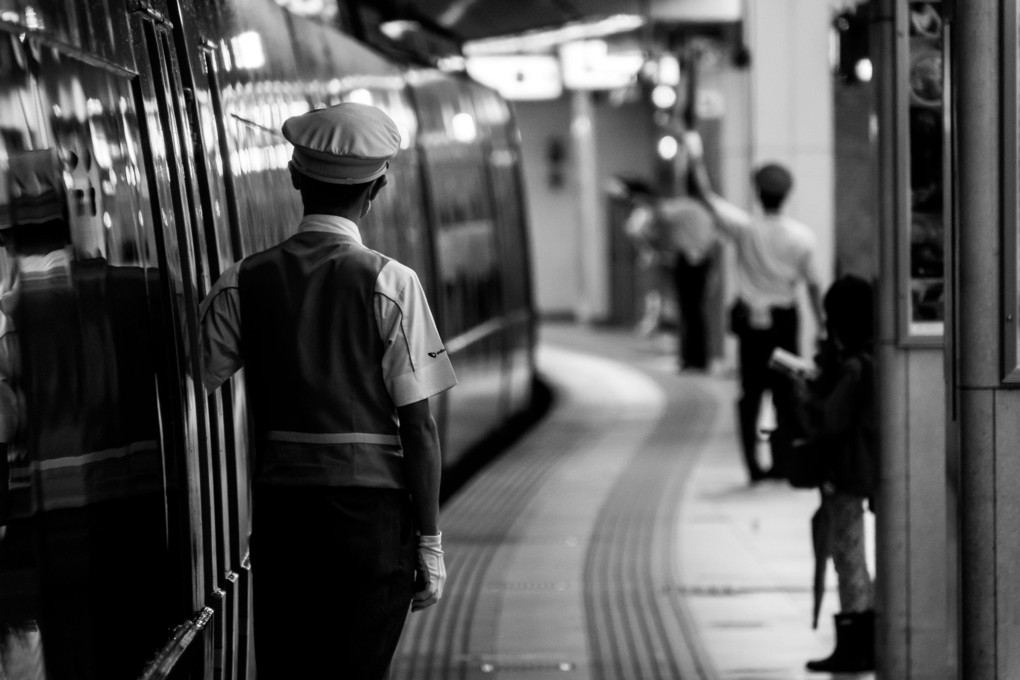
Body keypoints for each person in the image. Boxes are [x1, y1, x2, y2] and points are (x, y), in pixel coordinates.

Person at [200, 103, 457, 678]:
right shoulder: (392, 283)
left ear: (293, 176)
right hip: (370, 523)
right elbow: (419, 426)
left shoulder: (243, 280)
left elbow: (204, 369)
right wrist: (429, 541)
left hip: (284, 518)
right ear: (380, 186)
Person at [686, 131, 824, 483]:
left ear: (758, 194)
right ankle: (782, 463)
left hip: (751, 326)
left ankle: (753, 467)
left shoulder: (745, 229)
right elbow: (812, 287)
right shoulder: (802, 238)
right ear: (787, 195)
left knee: (750, 394)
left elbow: (706, 196)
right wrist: (821, 325)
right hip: (784, 322)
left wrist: (695, 154)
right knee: (786, 394)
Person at [796, 275, 877, 673]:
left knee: (848, 555)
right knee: (852, 552)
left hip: (848, 472)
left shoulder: (854, 366)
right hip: (864, 468)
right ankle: (862, 633)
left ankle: (857, 642)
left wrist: (806, 395)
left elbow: (831, 420)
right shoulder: (873, 357)